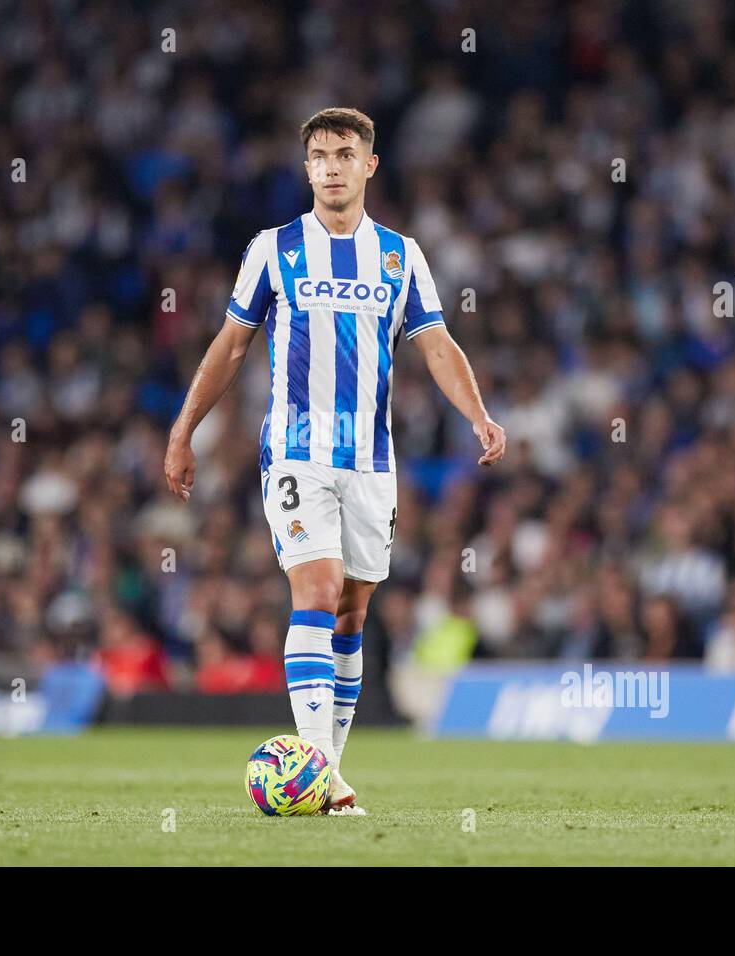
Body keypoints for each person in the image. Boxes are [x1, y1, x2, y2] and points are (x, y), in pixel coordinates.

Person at [163, 107, 506, 814]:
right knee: (315, 592)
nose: (330, 166)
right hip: (296, 454)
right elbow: (231, 345)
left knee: (352, 613)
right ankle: (315, 766)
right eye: (318, 155)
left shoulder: (399, 256)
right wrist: (183, 428)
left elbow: (436, 345)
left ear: (369, 165)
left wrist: (477, 414)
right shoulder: (274, 249)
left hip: (371, 464)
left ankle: (329, 774)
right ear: (307, 167)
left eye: (344, 154)